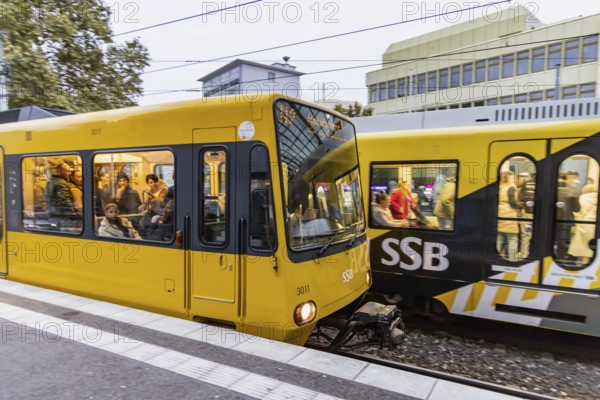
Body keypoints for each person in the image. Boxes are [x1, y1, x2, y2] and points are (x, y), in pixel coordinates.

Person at [45, 162, 81, 230]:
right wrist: (74, 215)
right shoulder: (62, 183)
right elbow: (65, 202)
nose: (70, 173)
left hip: (53, 216)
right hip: (63, 218)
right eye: (67, 171)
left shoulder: (50, 182)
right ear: (59, 172)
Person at [568, 184, 598, 265]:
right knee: (592, 249)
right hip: (595, 227)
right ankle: (590, 265)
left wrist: (577, 223)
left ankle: (581, 265)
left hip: (583, 225)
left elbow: (577, 212)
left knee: (582, 248)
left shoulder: (582, 198)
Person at [556, 171, 582, 261]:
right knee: (563, 244)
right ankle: (561, 260)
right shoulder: (571, 192)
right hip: (566, 221)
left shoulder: (554, 189)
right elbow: (577, 208)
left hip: (553, 220)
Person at [497, 171, 520, 261]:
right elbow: (512, 202)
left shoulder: (500, 187)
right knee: (512, 239)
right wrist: (521, 206)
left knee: (499, 238)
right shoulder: (511, 187)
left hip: (500, 213)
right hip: (509, 214)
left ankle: (496, 257)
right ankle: (512, 259)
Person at [517, 172, 535, 258]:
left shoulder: (526, 183)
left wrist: (523, 207)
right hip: (541, 215)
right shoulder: (547, 183)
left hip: (527, 214)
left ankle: (524, 255)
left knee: (526, 235)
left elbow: (520, 197)